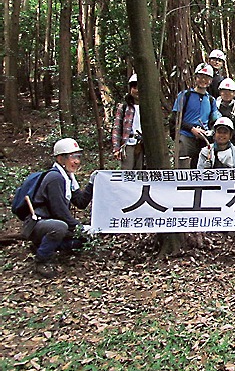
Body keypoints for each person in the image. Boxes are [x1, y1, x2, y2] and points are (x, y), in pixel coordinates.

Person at [23, 138, 96, 278]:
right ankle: (41, 261)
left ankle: (40, 246)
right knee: (60, 227)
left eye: (78, 157)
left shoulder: (68, 178)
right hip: (39, 223)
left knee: (84, 240)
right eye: (72, 157)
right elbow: (59, 211)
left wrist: (92, 183)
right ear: (60, 158)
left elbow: (80, 203)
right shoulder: (55, 178)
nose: (76, 161)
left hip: (52, 222)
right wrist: (79, 227)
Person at [170, 63, 222, 168]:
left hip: (203, 139)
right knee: (182, 166)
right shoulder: (185, 95)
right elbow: (175, 117)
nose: (203, 80)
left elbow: (215, 119)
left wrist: (210, 132)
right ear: (196, 77)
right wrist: (192, 129)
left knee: (203, 166)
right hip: (186, 136)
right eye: (201, 77)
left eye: (207, 78)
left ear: (211, 81)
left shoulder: (211, 100)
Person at [111, 73, 144, 169]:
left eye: (139, 87)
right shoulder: (124, 107)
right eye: (134, 87)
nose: (137, 91)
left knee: (141, 173)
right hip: (128, 144)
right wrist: (116, 148)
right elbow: (117, 128)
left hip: (143, 145)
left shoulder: (148, 108)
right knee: (127, 173)